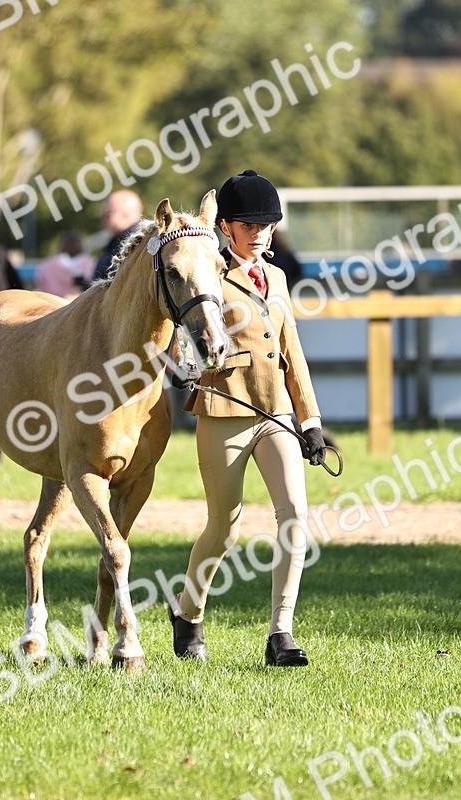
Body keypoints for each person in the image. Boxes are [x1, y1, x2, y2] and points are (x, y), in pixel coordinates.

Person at [168, 169, 327, 668]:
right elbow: (183, 338)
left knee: (295, 517)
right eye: (248, 224)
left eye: (267, 224)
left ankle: (281, 631)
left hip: (275, 410)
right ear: (227, 229)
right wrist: (188, 362)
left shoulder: (277, 278)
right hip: (225, 408)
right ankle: (188, 613)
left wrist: (311, 419)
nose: (259, 233)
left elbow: (291, 351)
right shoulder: (207, 274)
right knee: (224, 527)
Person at [91, 190, 144, 282]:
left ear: (125, 215)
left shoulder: (139, 243)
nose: (102, 217)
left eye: (108, 214)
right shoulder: (116, 240)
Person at [33, 231, 94, 299]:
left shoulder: (47, 265)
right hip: (78, 302)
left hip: (53, 301)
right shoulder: (87, 263)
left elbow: (39, 279)